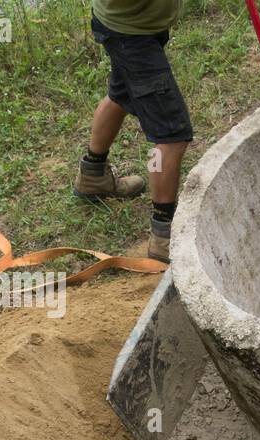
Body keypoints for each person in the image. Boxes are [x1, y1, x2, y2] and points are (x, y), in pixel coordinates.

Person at [73, 1, 191, 262]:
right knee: (171, 135)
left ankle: (93, 176)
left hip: (128, 26)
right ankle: (164, 236)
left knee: (121, 94)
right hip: (131, 35)